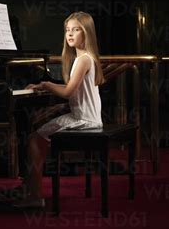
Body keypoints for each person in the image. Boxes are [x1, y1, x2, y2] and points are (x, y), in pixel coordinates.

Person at [12, 11, 104, 208]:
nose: (70, 34)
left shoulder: (83, 60)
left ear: (87, 33)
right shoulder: (85, 58)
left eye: (76, 30)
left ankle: (34, 195)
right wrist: (43, 86)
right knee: (39, 131)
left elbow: (68, 92)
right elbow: (72, 90)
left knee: (35, 139)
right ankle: (30, 186)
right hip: (87, 116)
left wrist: (44, 84)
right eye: (67, 30)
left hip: (84, 120)